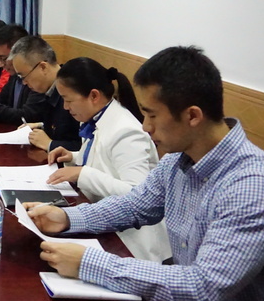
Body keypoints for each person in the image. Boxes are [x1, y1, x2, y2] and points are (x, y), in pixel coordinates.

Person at [28, 46, 264, 301]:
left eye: (152, 115)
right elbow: (134, 205)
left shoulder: (252, 185)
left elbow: (202, 290)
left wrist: (88, 263)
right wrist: (67, 218)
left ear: (192, 116)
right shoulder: (177, 160)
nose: (145, 127)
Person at [44, 57, 171, 262]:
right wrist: (74, 156)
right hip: (103, 220)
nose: (65, 107)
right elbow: (104, 159)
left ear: (94, 96)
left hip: (132, 242)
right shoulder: (97, 117)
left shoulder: (127, 131)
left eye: (68, 100)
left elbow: (136, 195)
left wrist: (83, 173)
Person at [7, 36, 81, 151]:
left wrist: (50, 144)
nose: (24, 83)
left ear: (43, 67)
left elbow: (85, 146)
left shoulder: (73, 92)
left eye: (24, 76)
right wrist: (41, 126)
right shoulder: (48, 90)